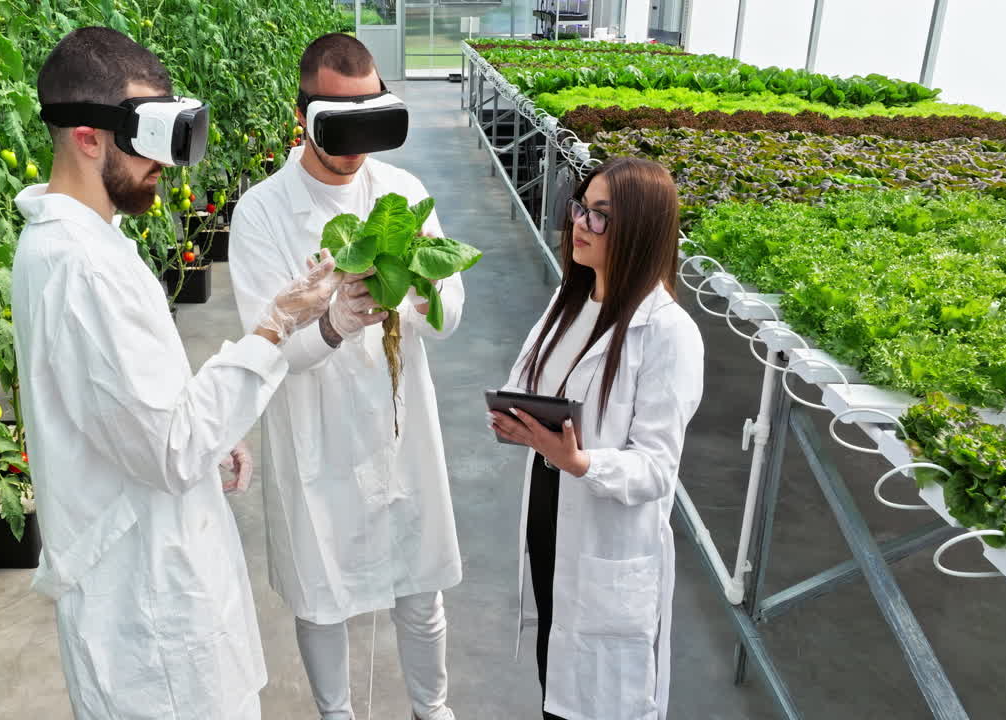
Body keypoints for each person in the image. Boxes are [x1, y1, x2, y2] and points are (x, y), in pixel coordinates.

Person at [10, 27, 341, 720]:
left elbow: (138, 414)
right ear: (86, 136)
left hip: (159, 582)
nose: (164, 162)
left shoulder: (90, 243)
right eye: (146, 135)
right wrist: (275, 326)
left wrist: (207, 426)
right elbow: (168, 448)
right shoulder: (80, 267)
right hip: (147, 623)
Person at [228, 33, 463, 720]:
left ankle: (433, 708)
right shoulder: (262, 213)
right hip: (315, 434)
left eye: (370, 116)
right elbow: (265, 348)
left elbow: (450, 315)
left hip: (399, 426)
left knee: (421, 589)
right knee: (321, 592)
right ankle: (337, 713)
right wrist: (332, 322)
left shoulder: (402, 192)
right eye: (340, 120)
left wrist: (419, 289)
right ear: (303, 116)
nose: (357, 142)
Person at [491, 157, 704, 720]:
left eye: (601, 216)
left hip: (602, 534)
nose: (580, 223)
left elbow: (658, 468)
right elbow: (525, 382)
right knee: (555, 682)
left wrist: (582, 462)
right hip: (551, 518)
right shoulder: (572, 303)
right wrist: (517, 420)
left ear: (640, 230)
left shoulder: (668, 333)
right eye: (582, 207)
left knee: (600, 704)